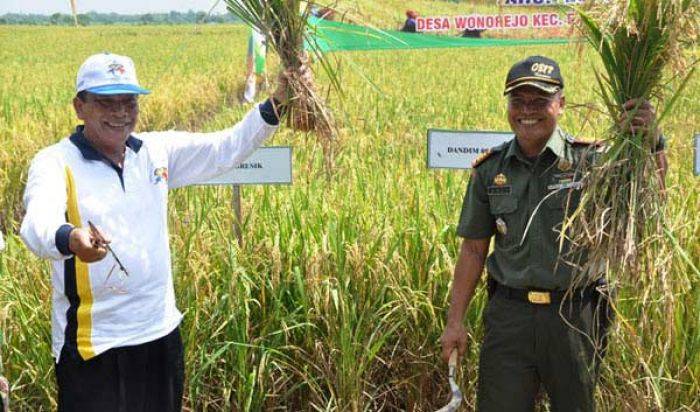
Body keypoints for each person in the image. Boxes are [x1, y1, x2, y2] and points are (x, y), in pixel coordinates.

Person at [19, 52, 300, 411]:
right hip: (96, 346)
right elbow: (36, 222)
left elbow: (225, 148)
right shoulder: (55, 162)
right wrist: (70, 238)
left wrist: (278, 102)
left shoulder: (155, 152)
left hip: (159, 334)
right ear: (80, 106)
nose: (120, 113)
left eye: (129, 101)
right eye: (107, 102)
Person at [439, 55, 666, 411]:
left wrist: (654, 143)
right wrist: (455, 322)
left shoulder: (593, 163)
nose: (527, 110)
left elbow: (649, 201)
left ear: (561, 103)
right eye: (518, 101)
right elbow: (473, 250)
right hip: (509, 318)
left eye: (540, 101)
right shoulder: (490, 170)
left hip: (574, 317)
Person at [243, 26, 267, 103]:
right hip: (257, 34)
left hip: (261, 35)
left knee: (257, 63)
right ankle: (251, 93)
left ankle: (250, 96)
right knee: (254, 63)